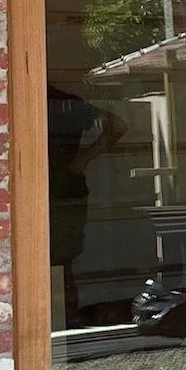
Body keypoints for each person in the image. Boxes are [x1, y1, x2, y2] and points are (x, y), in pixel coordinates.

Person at [46, 83, 127, 323]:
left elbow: (118, 126)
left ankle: (65, 321)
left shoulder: (66, 103)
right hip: (54, 192)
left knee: (60, 262)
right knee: (56, 263)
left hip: (65, 193)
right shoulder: (54, 102)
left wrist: (81, 161)